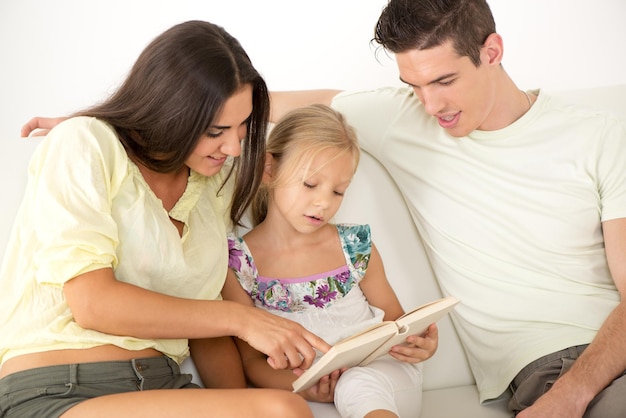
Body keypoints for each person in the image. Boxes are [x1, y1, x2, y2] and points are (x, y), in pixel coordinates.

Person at [268, 1, 626, 417]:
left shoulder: (600, 135)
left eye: (444, 80)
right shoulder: (399, 117)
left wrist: (572, 395)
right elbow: (253, 102)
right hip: (555, 363)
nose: (430, 105)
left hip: (606, 352)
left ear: (491, 52)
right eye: (414, 85)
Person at [1, 20, 331, 418]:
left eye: (242, 127)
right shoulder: (85, 142)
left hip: (163, 384)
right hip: (60, 388)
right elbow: (92, 303)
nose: (232, 145)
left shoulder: (214, 184)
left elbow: (345, 105)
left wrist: (243, 397)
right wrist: (241, 319)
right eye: (215, 130)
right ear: (168, 110)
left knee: (283, 408)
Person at [221, 103, 438, 418]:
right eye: (310, 185)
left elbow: (396, 324)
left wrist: (419, 344)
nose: (324, 202)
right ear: (269, 170)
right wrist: (306, 387)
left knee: (357, 383)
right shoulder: (239, 264)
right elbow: (252, 363)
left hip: (382, 374)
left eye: (338, 191)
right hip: (307, 385)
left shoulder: (355, 246)